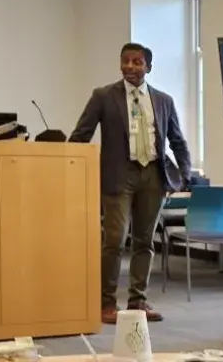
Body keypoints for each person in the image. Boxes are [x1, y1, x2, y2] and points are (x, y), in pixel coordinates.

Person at [68, 42, 192, 324]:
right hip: (118, 175)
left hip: (153, 174)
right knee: (114, 239)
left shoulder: (163, 100)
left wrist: (185, 175)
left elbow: (177, 140)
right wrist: (70, 166)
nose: (130, 67)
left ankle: (138, 300)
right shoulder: (103, 96)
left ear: (148, 67)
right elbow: (81, 134)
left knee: (145, 240)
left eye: (137, 62)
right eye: (126, 61)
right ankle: (106, 302)